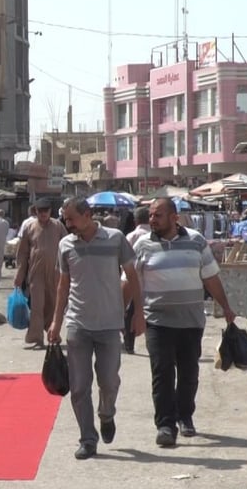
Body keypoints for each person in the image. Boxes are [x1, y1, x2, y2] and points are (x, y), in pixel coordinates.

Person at [48, 197, 145, 460]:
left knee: (109, 381)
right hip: (78, 324)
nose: (67, 224)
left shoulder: (115, 239)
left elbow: (132, 276)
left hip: (110, 325)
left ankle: (107, 414)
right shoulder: (65, 245)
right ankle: (87, 439)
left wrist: (138, 314)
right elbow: (63, 285)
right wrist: (56, 321)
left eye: (71, 219)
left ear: (88, 215)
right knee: (79, 387)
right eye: (65, 219)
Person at [135, 198, 236, 448]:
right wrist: (121, 312)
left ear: (173, 217)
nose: (152, 220)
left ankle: (185, 416)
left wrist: (225, 306)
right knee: (162, 373)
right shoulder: (142, 244)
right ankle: (165, 425)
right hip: (157, 320)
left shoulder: (196, 241)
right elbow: (131, 282)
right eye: (150, 215)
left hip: (191, 321)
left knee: (189, 373)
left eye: (157, 215)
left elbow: (210, 277)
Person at [15, 197, 67, 349]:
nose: (43, 214)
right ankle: (37, 338)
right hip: (36, 273)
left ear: (50, 211)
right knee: (37, 306)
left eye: (46, 211)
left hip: (56, 272)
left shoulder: (58, 226)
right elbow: (23, 253)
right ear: (35, 212)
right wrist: (19, 274)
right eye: (40, 211)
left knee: (54, 305)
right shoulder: (29, 227)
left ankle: (52, 333)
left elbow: (67, 247)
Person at [123, 206, 152, 354]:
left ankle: (129, 344)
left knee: (131, 312)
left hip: (134, 283)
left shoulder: (131, 236)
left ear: (135, 220)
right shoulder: (154, 235)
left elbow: (124, 263)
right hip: (153, 286)